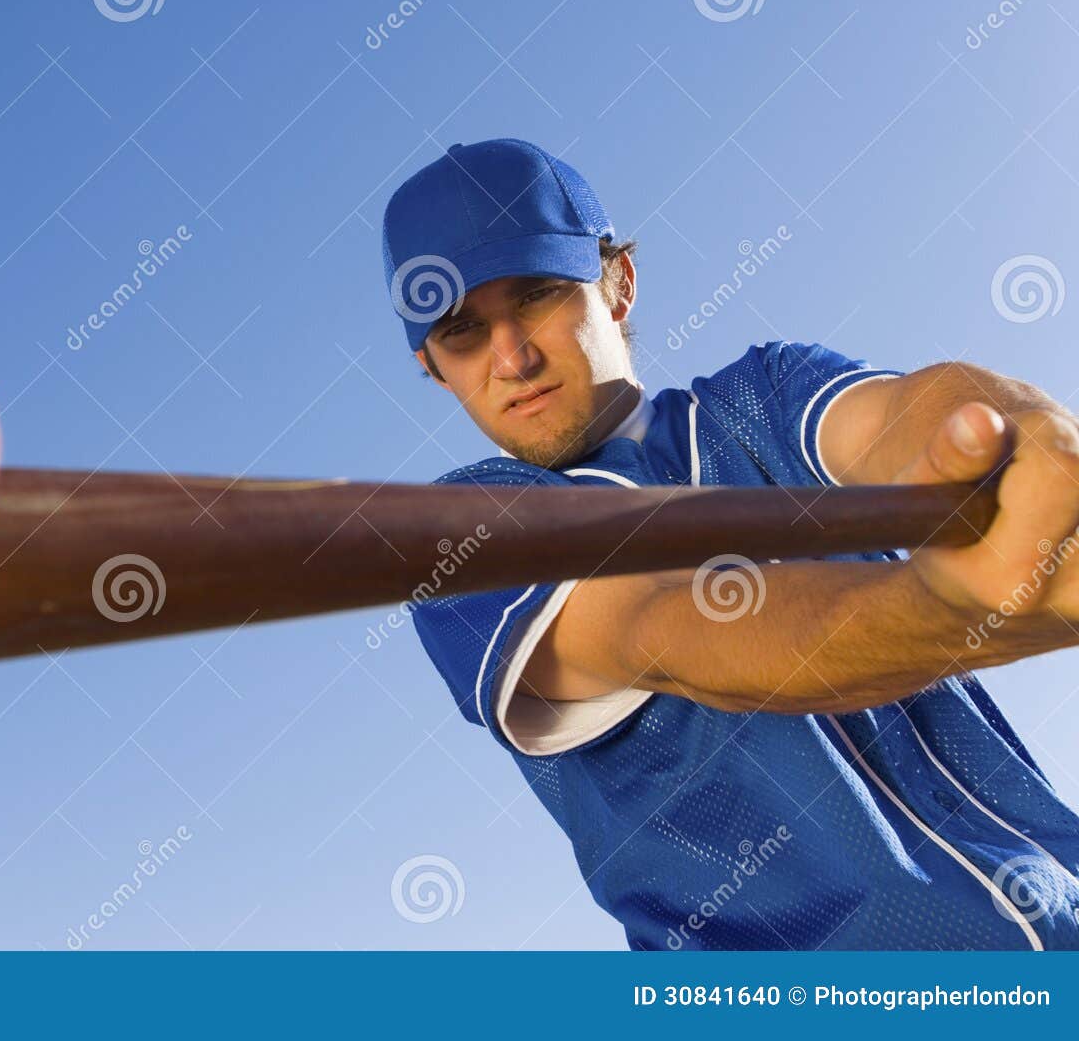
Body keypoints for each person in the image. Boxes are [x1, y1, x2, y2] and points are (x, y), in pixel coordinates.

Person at [385, 137, 1079, 950]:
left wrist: (1021, 437)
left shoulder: (763, 396)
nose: (513, 357)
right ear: (435, 368)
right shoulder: (458, 539)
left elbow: (908, 413)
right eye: (464, 332)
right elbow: (675, 629)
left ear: (618, 285)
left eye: (537, 293)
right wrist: (950, 608)